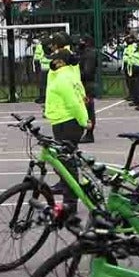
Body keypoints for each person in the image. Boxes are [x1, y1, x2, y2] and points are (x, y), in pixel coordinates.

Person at [44, 47, 89, 211]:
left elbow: (73, 102)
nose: (52, 62)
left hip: (67, 123)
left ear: (61, 62)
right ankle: (70, 195)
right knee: (66, 161)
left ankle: (71, 201)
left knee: (66, 164)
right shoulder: (69, 74)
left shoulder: (63, 78)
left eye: (54, 60)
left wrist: (84, 121)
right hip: (63, 121)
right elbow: (82, 96)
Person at [77, 35, 98, 142]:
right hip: (85, 85)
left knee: (89, 110)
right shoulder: (85, 53)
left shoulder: (89, 54)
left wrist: (77, 74)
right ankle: (84, 132)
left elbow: (88, 72)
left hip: (87, 86)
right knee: (84, 109)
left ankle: (89, 134)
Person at [33, 38, 49, 103]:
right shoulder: (52, 45)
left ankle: (43, 97)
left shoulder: (39, 46)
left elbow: (37, 57)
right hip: (47, 66)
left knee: (43, 83)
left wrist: (36, 61)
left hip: (44, 66)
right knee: (44, 83)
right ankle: (43, 96)